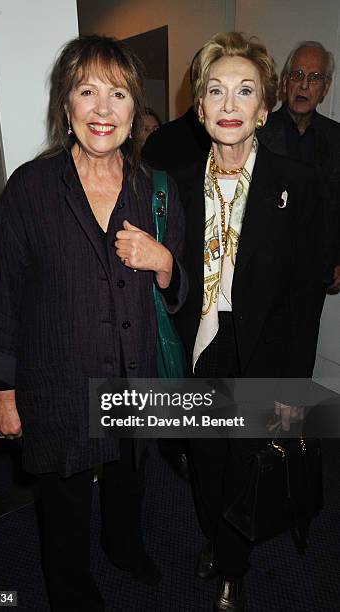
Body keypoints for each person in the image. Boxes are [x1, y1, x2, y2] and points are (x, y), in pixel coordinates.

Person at [0, 35, 186, 612]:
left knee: (128, 480)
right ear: (65, 106)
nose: (102, 109)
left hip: (134, 377)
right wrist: (4, 391)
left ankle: (124, 548)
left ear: (134, 109)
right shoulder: (30, 189)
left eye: (117, 94)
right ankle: (69, 587)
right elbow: (3, 298)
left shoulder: (155, 191)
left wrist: (166, 266)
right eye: (86, 92)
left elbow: (179, 295)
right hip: (60, 383)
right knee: (64, 498)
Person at [169, 32, 324, 611]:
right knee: (203, 459)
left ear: (264, 108)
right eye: (216, 91)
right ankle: (212, 535)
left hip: (264, 348)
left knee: (244, 461)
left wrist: (293, 387)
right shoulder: (176, 184)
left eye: (245, 92)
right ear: (200, 105)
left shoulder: (297, 183)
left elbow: (307, 297)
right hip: (200, 346)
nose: (229, 105)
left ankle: (234, 564)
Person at [258, 41, 340, 293]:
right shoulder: (258, 133)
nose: (304, 85)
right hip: (264, 273)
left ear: (326, 88)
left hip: (315, 274)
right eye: (297, 75)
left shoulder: (336, 138)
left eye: (315, 78)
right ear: (285, 83)